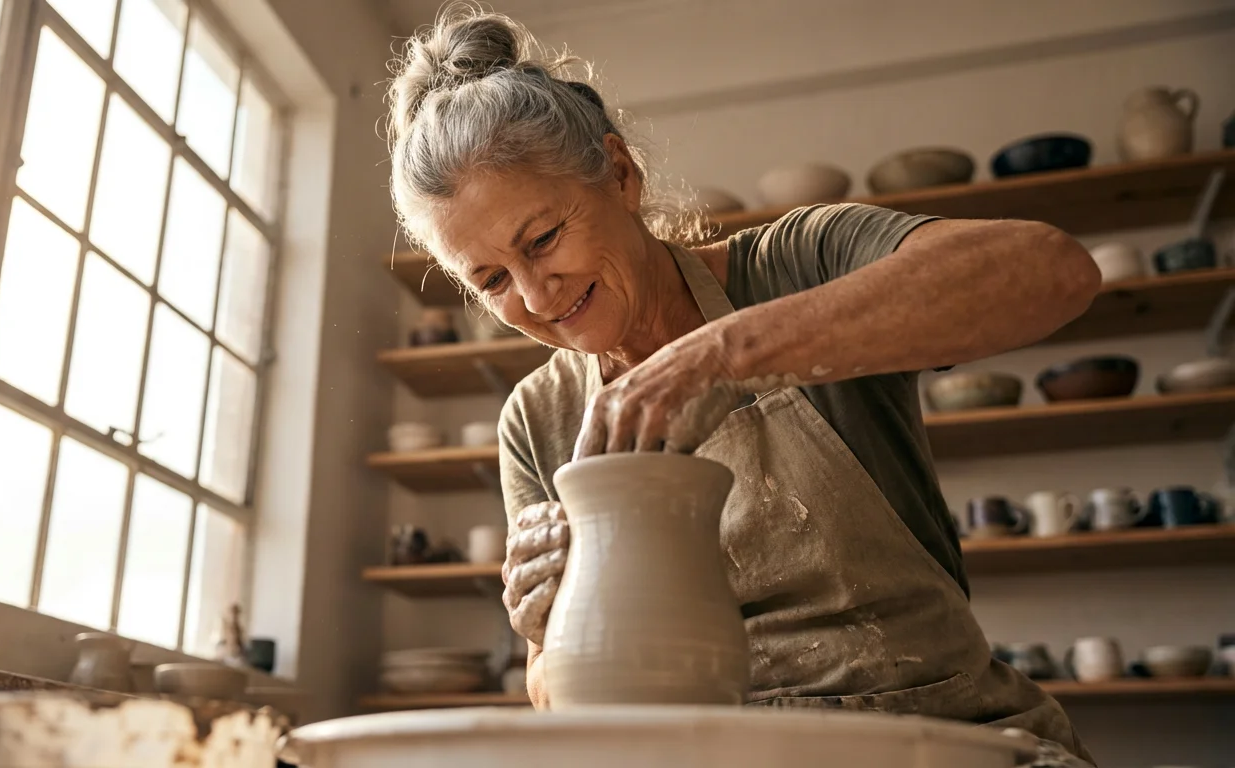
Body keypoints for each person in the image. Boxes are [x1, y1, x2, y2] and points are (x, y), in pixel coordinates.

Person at [384, 7, 1099, 764]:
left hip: (939, 736)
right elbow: (562, 700)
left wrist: (722, 354)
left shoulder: (800, 262)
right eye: (492, 278)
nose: (534, 294)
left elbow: (1052, 272)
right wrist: (544, 626)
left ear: (620, 176)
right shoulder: (536, 418)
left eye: (544, 239)